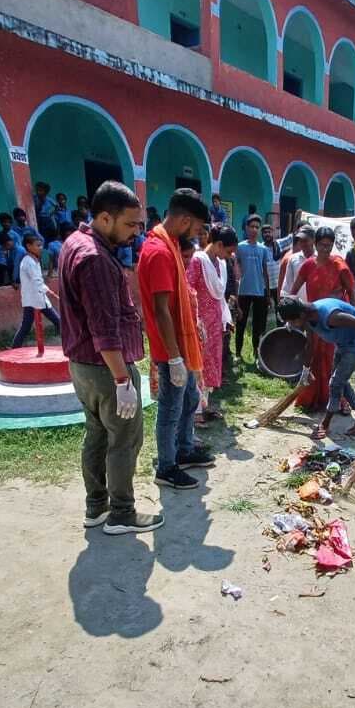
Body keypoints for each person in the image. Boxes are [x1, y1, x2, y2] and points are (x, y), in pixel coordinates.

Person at [58, 180, 159, 533]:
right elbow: (104, 329)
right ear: (104, 217)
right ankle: (121, 513)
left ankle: (96, 507)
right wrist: (122, 380)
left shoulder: (74, 242)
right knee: (123, 440)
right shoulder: (96, 258)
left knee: (97, 435)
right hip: (105, 368)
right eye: (130, 224)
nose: (135, 233)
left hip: (83, 366)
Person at [137, 188, 214, 490]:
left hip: (183, 344)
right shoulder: (158, 252)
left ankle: (184, 449)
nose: (196, 234)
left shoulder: (168, 245)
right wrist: (174, 357)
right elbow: (160, 311)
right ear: (184, 220)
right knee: (171, 408)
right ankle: (167, 467)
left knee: (190, 399)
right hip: (171, 350)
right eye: (196, 228)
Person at [279, 296, 355, 440]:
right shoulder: (308, 318)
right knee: (340, 381)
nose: (292, 325)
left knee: (335, 383)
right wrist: (306, 371)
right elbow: (310, 345)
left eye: (292, 321)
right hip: (343, 343)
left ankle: (325, 424)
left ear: (301, 315)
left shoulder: (330, 316)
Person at [286, 226, 354, 413]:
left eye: (329, 245)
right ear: (315, 244)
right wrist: (290, 314)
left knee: (333, 360)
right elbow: (293, 291)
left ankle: (338, 399)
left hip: (334, 320)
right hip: (314, 318)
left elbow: (351, 293)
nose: (325, 249)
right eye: (322, 245)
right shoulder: (308, 265)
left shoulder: (339, 265)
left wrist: (354, 318)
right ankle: (313, 398)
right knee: (314, 356)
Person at [189, 224, 236, 425]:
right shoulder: (197, 261)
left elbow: (220, 295)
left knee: (211, 366)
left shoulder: (219, 263)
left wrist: (227, 318)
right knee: (198, 365)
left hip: (215, 323)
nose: (229, 256)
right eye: (228, 251)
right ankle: (195, 412)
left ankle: (204, 405)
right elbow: (188, 289)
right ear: (218, 244)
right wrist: (195, 319)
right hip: (200, 325)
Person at [233, 215, 271, 363]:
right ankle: (237, 353)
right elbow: (236, 269)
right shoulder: (240, 247)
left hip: (259, 292)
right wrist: (235, 293)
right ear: (246, 228)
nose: (254, 229)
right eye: (252, 226)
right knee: (241, 323)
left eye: (257, 227)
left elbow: (265, 271)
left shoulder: (263, 249)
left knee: (258, 325)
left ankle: (256, 352)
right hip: (243, 291)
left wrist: (267, 293)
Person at [14, 233, 62, 347]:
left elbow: (37, 281)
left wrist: (47, 291)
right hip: (34, 299)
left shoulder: (33, 260)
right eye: (38, 245)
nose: (40, 248)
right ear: (28, 246)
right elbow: (37, 281)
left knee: (26, 327)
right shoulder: (28, 262)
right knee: (58, 321)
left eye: (41, 245)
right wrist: (48, 291)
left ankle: (14, 347)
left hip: (35, 298)